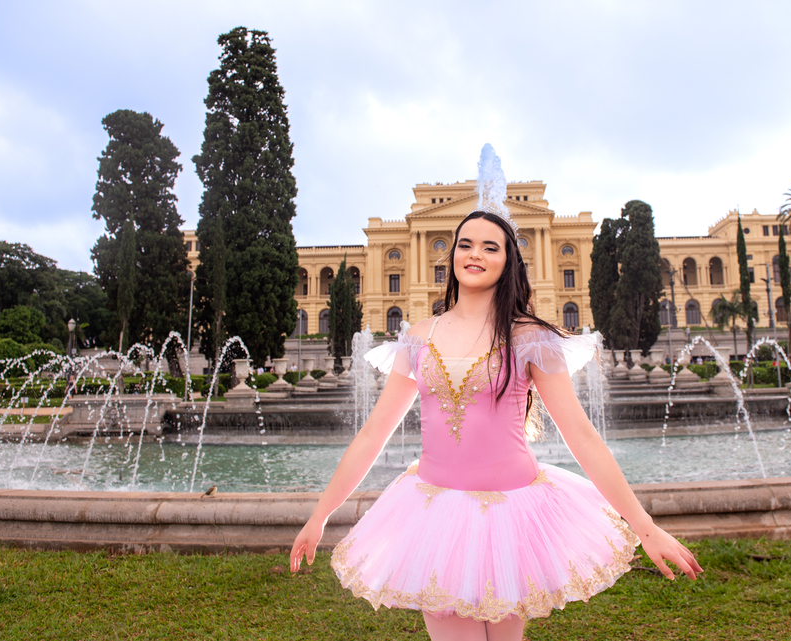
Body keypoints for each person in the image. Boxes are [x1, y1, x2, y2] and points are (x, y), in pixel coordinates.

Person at [290, 210, 701, 640]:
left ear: (508, 262)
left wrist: (645, 527)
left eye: (491, 247)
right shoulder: (417, 338)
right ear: (451, 256)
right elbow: (373, 434)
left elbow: (581, 436)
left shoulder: (529, 337)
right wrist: (320, 515)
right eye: (466, 244)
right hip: (436, 515)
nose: (475, 254)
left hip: (513, 516)